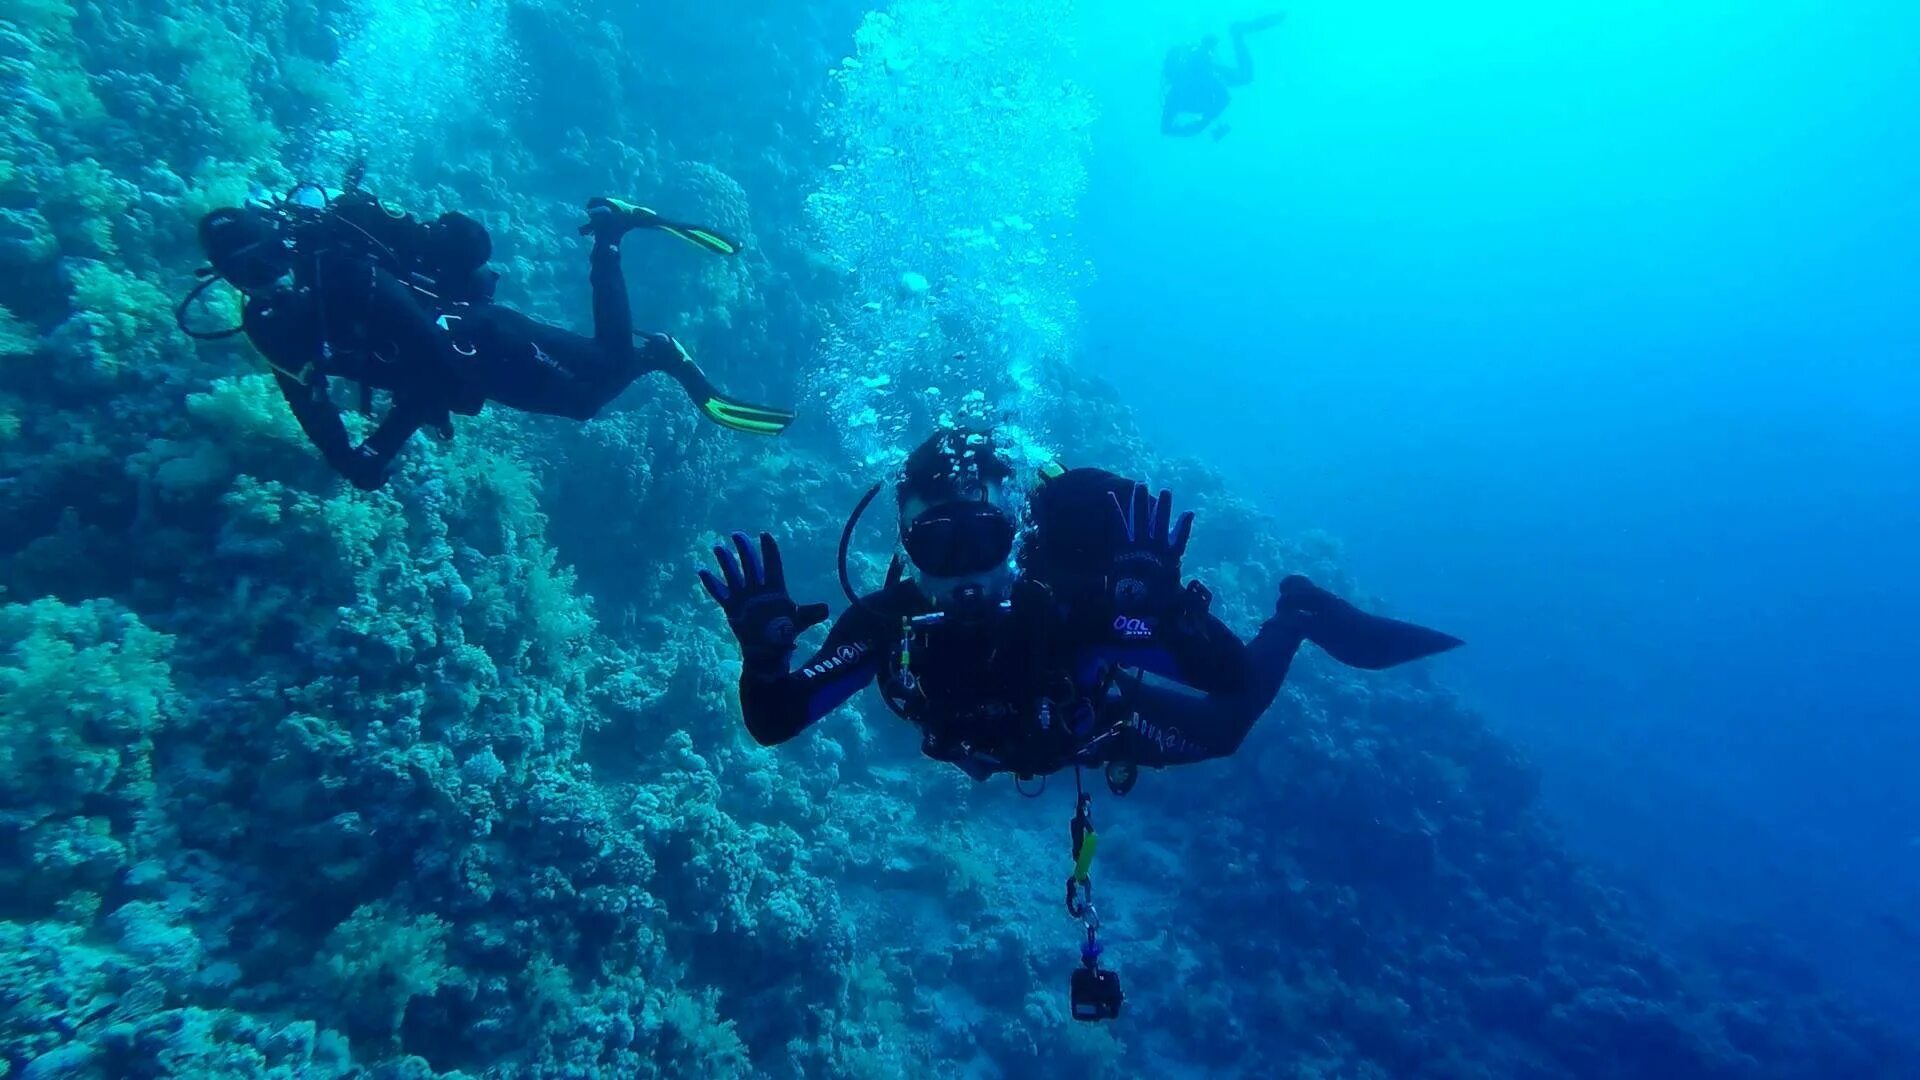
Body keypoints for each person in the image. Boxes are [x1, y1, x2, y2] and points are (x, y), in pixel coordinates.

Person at [698, 429, 1461, 782]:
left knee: (1226, 733)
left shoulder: (1070, 607)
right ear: (904, 541)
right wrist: (765, 661)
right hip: (1033, 745)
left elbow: (1226, 684)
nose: (964, 574)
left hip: (1096, 725)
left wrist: (1167, 615)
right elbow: (776, 720)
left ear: (1018, 529)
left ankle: (1294, 614)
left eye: (984, 538)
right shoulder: (885, 622)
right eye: (940, 545)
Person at [184, 183, 793, 491]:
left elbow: (424, 339)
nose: (265, 283)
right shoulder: (273, 329)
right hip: (460, 358)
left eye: (266, 261)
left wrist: (408, 420)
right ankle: (618, 244)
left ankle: (631, 282)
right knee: (596, 378)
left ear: (278, 238)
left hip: (475, 337)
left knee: (588, 393)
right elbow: (324, 426)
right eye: (247, 277)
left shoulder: (338, 268)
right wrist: (361, 456)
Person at [1161, 11, 1289, 139]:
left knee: (1245, 77)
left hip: (1206, 73)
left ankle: (1237, 33)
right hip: (1204, 76)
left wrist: (1202, 124)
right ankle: (1235, 34)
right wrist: (1199, 125)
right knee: (1243, 77)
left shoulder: (1185, 89)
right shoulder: (1175, 97)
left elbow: (1224, 98)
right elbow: (1166, 128)